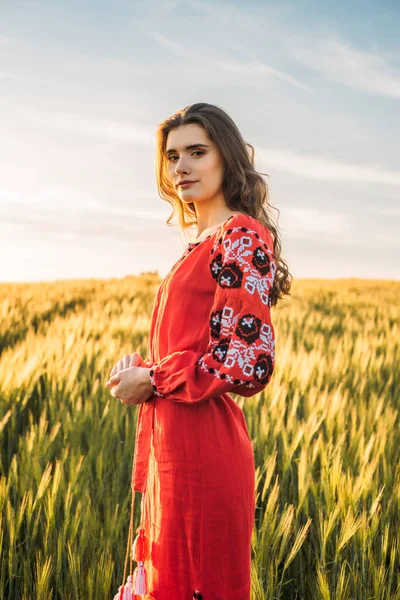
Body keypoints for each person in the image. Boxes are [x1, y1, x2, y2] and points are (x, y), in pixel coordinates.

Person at [106, 102, 292, 600]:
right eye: (171, 156)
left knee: (202, 582)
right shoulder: (200, 243)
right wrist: (144, 367)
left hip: (205, 450)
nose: (181, 167)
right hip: (172, 448)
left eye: (196, 152)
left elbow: (245, 359)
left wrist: (155, 379)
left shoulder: (241, 235)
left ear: (226, 158)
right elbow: (194, 347)